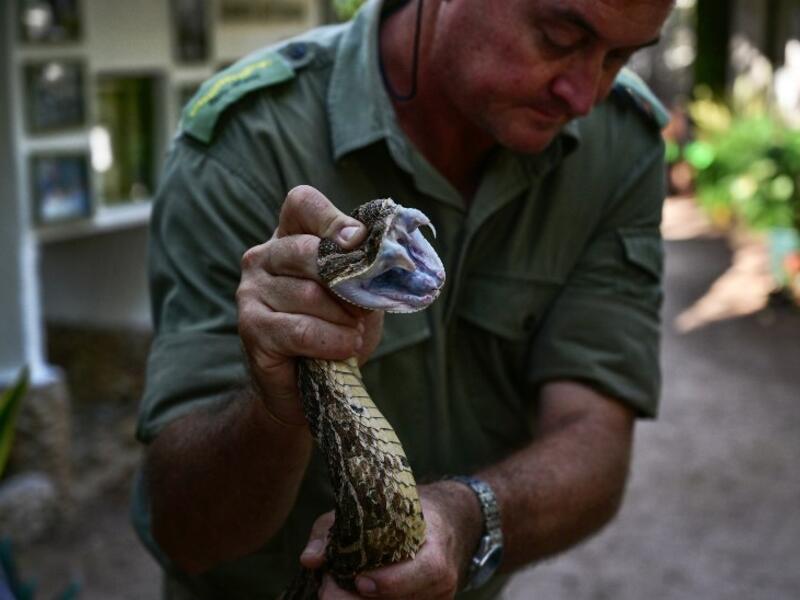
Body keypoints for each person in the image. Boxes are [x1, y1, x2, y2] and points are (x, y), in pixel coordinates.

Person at [133, 0, 675, 598]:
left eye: (620, 58)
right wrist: (275, 404)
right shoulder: (243, 145)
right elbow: (186, 533)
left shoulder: (623, 144)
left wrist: (465, 519)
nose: (584, 97)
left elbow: (594, 441)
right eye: (557, 36)